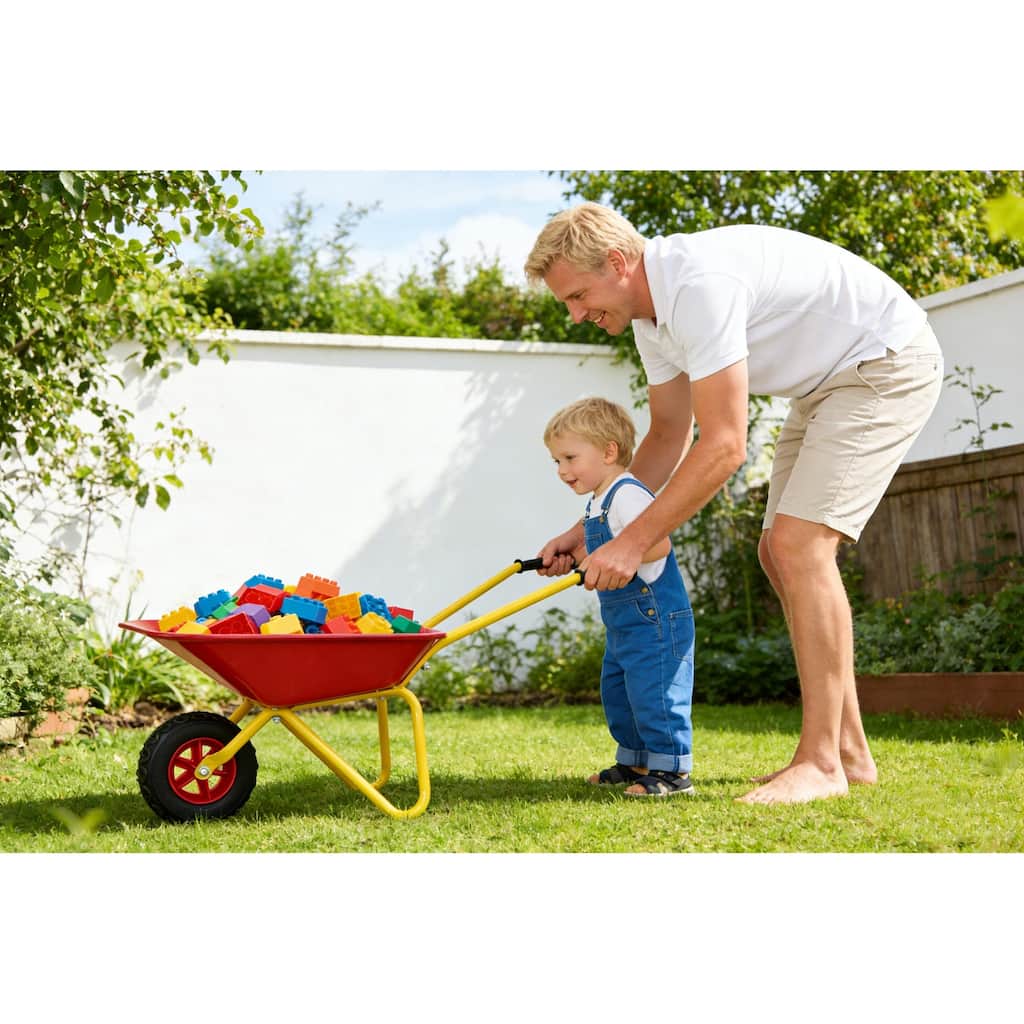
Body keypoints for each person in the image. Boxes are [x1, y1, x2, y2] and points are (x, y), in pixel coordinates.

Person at [526, 202, 944, 805]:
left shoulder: (697, 286)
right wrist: (585, 529)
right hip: (823, 386)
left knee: (801, 546)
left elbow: (723, 445)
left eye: (578, 294)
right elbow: (668, 437)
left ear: (617, 262)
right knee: (777, 552)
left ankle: (822, 763)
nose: (574, 313)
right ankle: (850, 754)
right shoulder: (653, 321)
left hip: (884, 364)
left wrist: (634, 541)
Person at [544, 397, 695, 797]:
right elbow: (597, 553)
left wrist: (605, 556)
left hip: (656, 618)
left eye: (570, 458)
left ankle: (672, 772)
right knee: (620, 691)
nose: (562, 471)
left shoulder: (627, 494)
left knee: (655, 692)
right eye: (556, 462)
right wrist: (572, 557)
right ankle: (636, 761)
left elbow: (658, 546)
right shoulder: (598, 501)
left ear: (609, 451)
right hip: (625, 623)